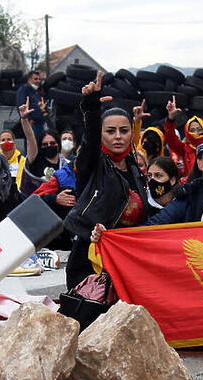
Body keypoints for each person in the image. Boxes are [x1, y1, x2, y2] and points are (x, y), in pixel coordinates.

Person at [64, 72, 149, 289]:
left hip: (128, 260)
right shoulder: (91, 163)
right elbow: (90, 139)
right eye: (110, 131)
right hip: (91, 262)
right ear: (102, 134)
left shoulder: (135, 169)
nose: (118, 136)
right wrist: (92, 107)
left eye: (124, 130)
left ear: (132, 134)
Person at [20, 97, 62, 182]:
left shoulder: (65, 164)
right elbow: (30, 138)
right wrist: (24, 119)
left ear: (58, 144)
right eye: (45, 144)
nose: (49, 145)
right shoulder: (36, 159)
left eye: (52, 143)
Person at [15, 71, 46, 138]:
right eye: (35, 79)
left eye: (39, 79)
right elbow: (20, 105)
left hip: (40, 124)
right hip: (32, 124)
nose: (38, 81)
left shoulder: (38, 91)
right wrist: (28, 120)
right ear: (29, 80)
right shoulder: (23, 90)